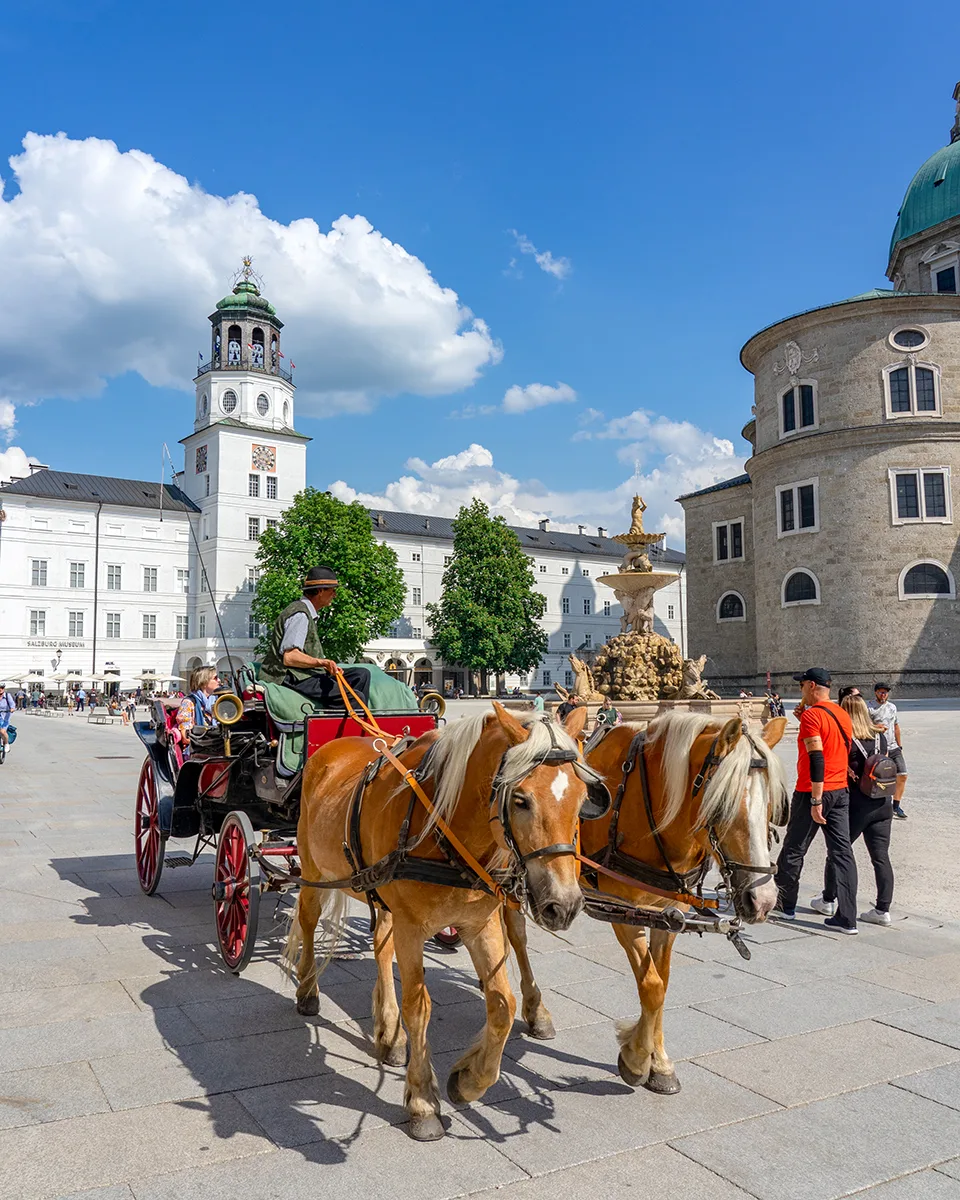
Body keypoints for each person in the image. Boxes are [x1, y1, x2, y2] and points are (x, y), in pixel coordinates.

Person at [773, 667, 859, 934]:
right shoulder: (842, 714)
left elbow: (817, 758)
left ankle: (785, 904)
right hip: (841, 791)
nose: (800, 690)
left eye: (801, 686)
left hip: (813, 791)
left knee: (794, 848)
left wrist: (816, 799)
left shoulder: (812, 716)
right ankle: (847, 918)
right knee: (842, 853)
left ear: (811, 686)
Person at [811, 693, 896, 927]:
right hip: (883, 803)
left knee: (839, 852)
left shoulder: (847, 741)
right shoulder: (881, 738)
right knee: (881, 857)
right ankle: (882, 909)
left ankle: (829, 899)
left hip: (857, 805)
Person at [258, 566, 372, 705]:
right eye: (332, 590)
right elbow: (290, 657)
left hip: (302, 673)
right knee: (356, 698)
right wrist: (322, 662)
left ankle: (340, 713)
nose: (335, 595)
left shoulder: (306, 612)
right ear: (320, 591)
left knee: (361, 675)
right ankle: (348, 720)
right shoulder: (300, 615)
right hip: (289, 676)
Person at [869, 683, 908, 819]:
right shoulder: (869, 708)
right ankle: (879, 805)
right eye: (881, 692)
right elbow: (864, 726)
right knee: (881, 778)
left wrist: (899, 745)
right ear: (876, 693)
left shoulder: (892, 707)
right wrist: (875, 727)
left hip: (893, 746)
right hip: (878, 747)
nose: (883, 695)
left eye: (885, 692)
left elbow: (896, 726)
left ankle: (896, 806)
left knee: (902, 774)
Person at [176, 667, 221, 753]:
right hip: (197, 748)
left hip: (216, 745)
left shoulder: (216, 701)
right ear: (204, 682)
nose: (219, 680)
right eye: (215, 678)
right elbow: (185, 737)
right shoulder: (188, 703)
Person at [0, 684, 15, 750]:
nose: (0, 689)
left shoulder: (7, 696)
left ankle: (6, 744)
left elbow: (12, 704)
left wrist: (12, 708)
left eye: (2, 688)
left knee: (2, 732)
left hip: (5, 717)